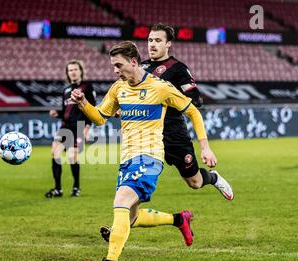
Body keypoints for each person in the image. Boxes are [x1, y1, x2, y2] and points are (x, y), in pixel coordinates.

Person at [71, 41, 214, 261]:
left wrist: (205, 146)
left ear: (134, 62)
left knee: (122, 201)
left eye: (119, 65)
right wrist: (84, 104)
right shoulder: (118, 89)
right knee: (131, 217)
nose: (115, 71)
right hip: (127, 159)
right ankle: (180, 219)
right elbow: (100, 118)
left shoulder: (160, 88)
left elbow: (193, 112)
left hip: (148, 157)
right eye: (113, 66)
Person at [99, 23, 234, 243]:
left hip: (174, 136)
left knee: (195, 182)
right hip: (146, 140)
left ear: (168, 44)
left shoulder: (177, 68)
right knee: (131, 194)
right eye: (150, 40)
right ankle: (120, 227)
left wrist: (204, 145)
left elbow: (195, 102)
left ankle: (213, 178)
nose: (152, 44)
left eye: (158, 40)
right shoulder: (138, 67)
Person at [45, 60, 96, 198]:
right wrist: (57, 113)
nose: (72, 72)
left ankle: (76, 187)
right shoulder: (66, 90)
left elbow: (92, 109)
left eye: (75, 69)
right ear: (67, 73)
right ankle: (58, 189)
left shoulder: (87, 87)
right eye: (70, 70)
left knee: (71, 156)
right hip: (65, 126)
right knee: (55, 153)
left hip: (78, 127)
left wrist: (87, 127)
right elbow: (65, 110)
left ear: (81, 71)